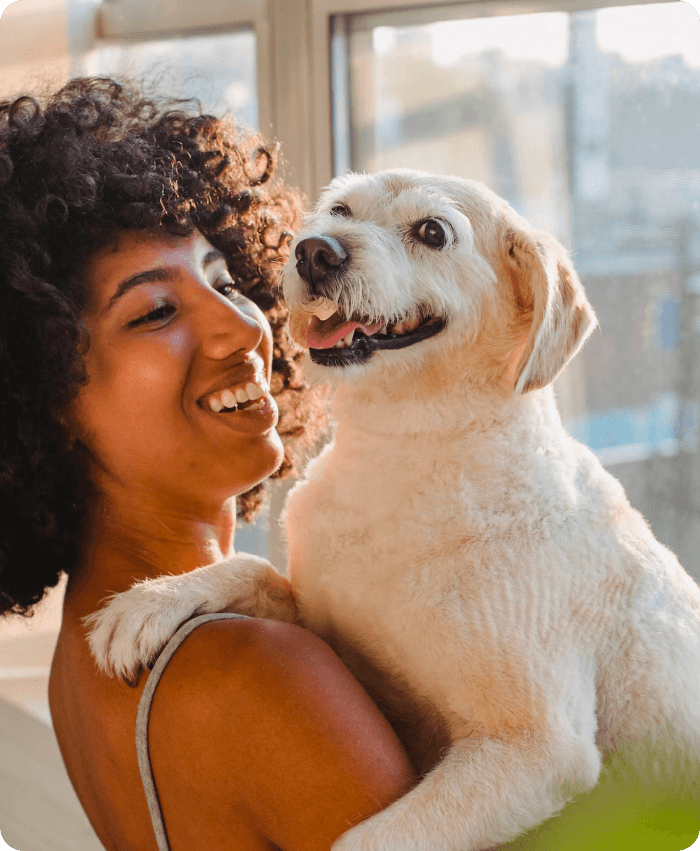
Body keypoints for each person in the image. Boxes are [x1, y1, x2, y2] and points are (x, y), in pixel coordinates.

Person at [0, 77, 415, 851]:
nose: (241, 328)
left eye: (226, 281)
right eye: (155, 311)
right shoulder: (257, 672)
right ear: (39, 395)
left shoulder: (90, 648)